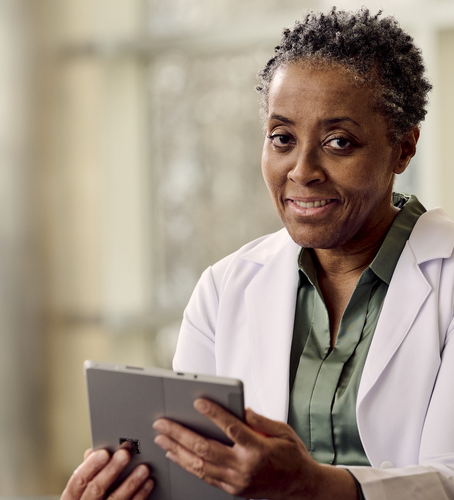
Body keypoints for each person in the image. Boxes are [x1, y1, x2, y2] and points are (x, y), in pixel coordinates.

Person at [61, 7, 454, 500]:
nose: (302, 170)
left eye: (339, 142)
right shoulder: (225, 289)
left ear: (403, 147)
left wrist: (315, 486)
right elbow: (195, 481)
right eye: (282, 138)